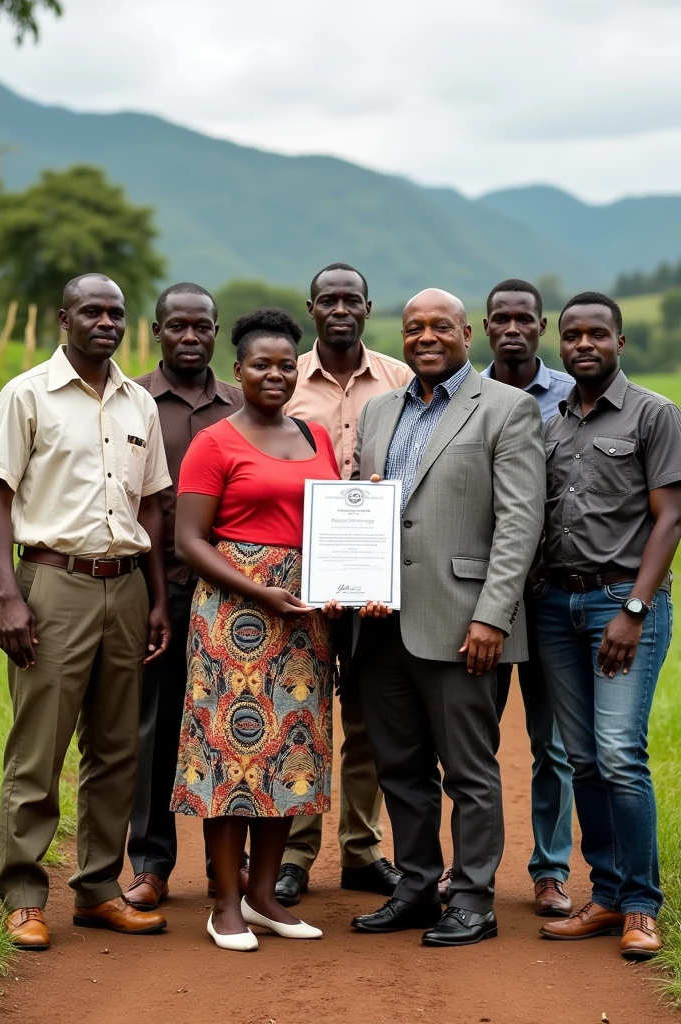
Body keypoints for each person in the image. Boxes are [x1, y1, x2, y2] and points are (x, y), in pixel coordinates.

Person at [350, 288, 545, 946]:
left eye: (440, 326)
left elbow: (521, 522)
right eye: (413, 328)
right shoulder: (379, 412)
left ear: (468, 333)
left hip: (466, 625)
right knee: (399, 767)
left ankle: (473, 899)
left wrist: (492, 615)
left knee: (468, 769)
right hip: (379, 625)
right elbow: (367, 510)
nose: (425, 336)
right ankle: (414, 885)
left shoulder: (507, 410)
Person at [0, 274, 171, 951]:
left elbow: (150, 505)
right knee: (39, 747)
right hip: (52, 582)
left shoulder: (138, 404)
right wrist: (10, 595)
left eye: (116, 313)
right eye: (92, 311)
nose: (106, 321)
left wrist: (156, 599)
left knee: (116, 748)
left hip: (124, 586)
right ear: (64, 318)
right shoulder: (26, 395)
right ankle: (24, 895)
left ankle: (98, 889)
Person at [171, 308, 342, 951]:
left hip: (304, 617)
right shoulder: (214, 441)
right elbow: (190, 541)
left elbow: (331, 520)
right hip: (236, 616)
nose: (274, 374)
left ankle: (266, 894)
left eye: (285, 365)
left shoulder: (315, 436)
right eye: (260, 365)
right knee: (230, 759)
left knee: (289, 754)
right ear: (236, 371)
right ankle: (225, 901)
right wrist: (260, 591)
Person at [536, 292, 681, 960]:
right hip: (555, 607)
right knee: (583, 758)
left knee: (620, 753)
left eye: (597, 333)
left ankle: (642, 909)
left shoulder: (654, 413)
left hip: (620, 604)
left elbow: (670, 518)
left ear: (620, 343)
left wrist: (633, 609)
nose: (583, 344)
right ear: (560, 344)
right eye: (572, 335)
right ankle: (606, 895)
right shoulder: (553, 424)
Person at [280, 262, 411, 906]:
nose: (339, 308)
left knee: (368, 719)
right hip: (298, 575)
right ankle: (296, 856)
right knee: (304, 715)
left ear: (367, 306)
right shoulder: (284, 380)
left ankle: (361, 852)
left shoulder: (400, 379)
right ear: (311, 309)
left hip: (378, 578)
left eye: (350, 299)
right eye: (327, 299)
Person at [124, 283, 243, 912]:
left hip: (235, 597)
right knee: (157, 727)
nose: (191, 337)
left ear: (216, 332)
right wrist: (152, 598)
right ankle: (151, 862)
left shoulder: (242, 405)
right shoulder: (132, 400)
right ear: (157, 330)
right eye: (178, 327)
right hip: (158, 587)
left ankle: (235, 866)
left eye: (202, 327)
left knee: (236, 728)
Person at [468, 278, 574, 917]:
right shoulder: (465, 397)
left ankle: (551, 870)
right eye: (500, 319)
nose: (512, 328)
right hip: (481, 595)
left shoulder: (570, 396)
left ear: (542, 326)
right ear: (484, 328)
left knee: (552, 744)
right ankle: (469, 868)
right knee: (471, 739)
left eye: (524, 319)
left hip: (553, 596)